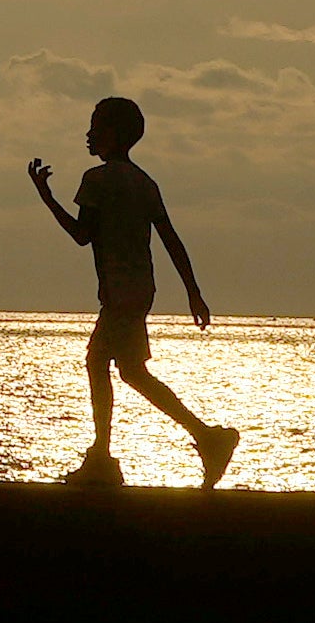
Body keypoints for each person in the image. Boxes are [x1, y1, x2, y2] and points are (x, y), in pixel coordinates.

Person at [30, 96, 238, 488]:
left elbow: (81, 235)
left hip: (120, 292)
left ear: (115, 134)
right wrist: (193, 291)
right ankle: (206, 438)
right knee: (131, 372)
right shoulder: (145, 182)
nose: (89, 135)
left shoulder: (97, 180)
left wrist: (47, 199)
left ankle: (103, 458)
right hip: (141, 289)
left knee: (99, 365)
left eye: (96, 126)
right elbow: (171, 239)